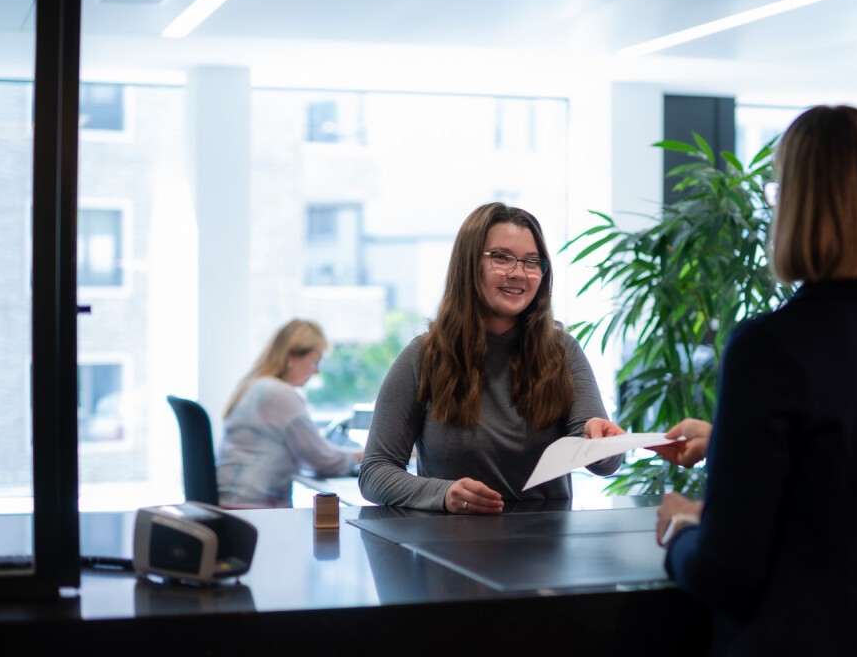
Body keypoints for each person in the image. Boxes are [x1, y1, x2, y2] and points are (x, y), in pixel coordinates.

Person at [656, 105, 857, 656]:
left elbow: (727, 572)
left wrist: (681, 531)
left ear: (796, 205)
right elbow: (856, 506)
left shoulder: (769, 346)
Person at [359, 203, 624, 513]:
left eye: (531, 261)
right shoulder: (424, 357)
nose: (518, 273)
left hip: (544, 550)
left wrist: (602, 443)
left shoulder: (563, 352)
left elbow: (607, 463)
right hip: (449, 549)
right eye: (501, 257)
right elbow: (375, 471)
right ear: (469, 264)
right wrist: (443, 494)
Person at [217, 319, 361, 508]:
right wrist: (368, 455)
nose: (316, 371)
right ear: (291, 357)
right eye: (314, 361)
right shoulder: (279, 394)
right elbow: (323, 460)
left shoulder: (253, 386)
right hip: (256, 510)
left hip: (233, 504)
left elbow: (311, 455)